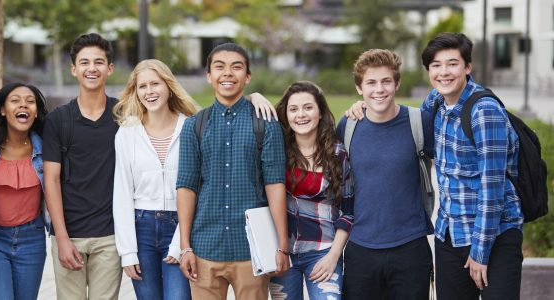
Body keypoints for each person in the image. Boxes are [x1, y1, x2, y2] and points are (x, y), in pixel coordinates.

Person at [176, 42, 290, 300]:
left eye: (236, 67)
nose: (227, 73)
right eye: (219, 67)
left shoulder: (265, 125)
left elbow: (275, 185)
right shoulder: (195, 126)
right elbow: (186, 186)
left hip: (252, 252)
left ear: (247, 77)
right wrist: (185, 248)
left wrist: (282, 246)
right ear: (209, 76)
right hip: (205, 248)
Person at [420, 33, 522, 300]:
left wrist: (480, 251)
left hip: (495, 236)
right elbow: (406, 123)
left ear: (467, 67)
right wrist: (365, 107)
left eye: (452, 64)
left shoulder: (484, 111)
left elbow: (492, 188)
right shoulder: (437, 102)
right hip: (450, 233)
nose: (444, 72)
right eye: (436, 65)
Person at [337, 49, 435, 299]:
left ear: (397, 83)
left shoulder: (419, 122)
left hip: (410, 248)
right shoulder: (347, 126)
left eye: (386, 81)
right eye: (371, 82)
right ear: (359, 88)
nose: (379, 89)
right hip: (360, 248)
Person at [42, 33, 122, 299]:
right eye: (84, 62)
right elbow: (51, 180)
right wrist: (61, 239)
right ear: (74, 69)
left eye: (99, 62)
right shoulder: (59, 120)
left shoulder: (124, 116)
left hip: (110, 236)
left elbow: (172, 113)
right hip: (69, 234)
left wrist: (251, 100)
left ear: (109, 69)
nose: (92, 68)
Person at [112, 59, 196, 300]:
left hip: (180, 225)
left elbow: (197, 187)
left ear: (168, 86)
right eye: (142, 86)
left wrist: (181, 241)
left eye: (155, 84)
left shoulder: (191, 127)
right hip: (142, 229)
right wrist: (127, 252)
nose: (149, 91)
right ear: (136, 92)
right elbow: (122, 193)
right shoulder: (127, 132)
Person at [268, 81, 354, 300]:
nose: (301, 115)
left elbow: (348, 210)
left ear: (320, 112)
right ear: (285, 115)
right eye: (293, 109)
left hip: (323, 250)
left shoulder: (337, 154)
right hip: (282, 251)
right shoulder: (277, 150)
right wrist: (255, 97)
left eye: (308, 107)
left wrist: (334, 256)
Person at [0, 83, 49, 300]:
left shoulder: (46, 148)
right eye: (15, 100)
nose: (23, 105)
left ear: (36, 112)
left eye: (30, 101)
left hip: (32, 239)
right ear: (2, 109)